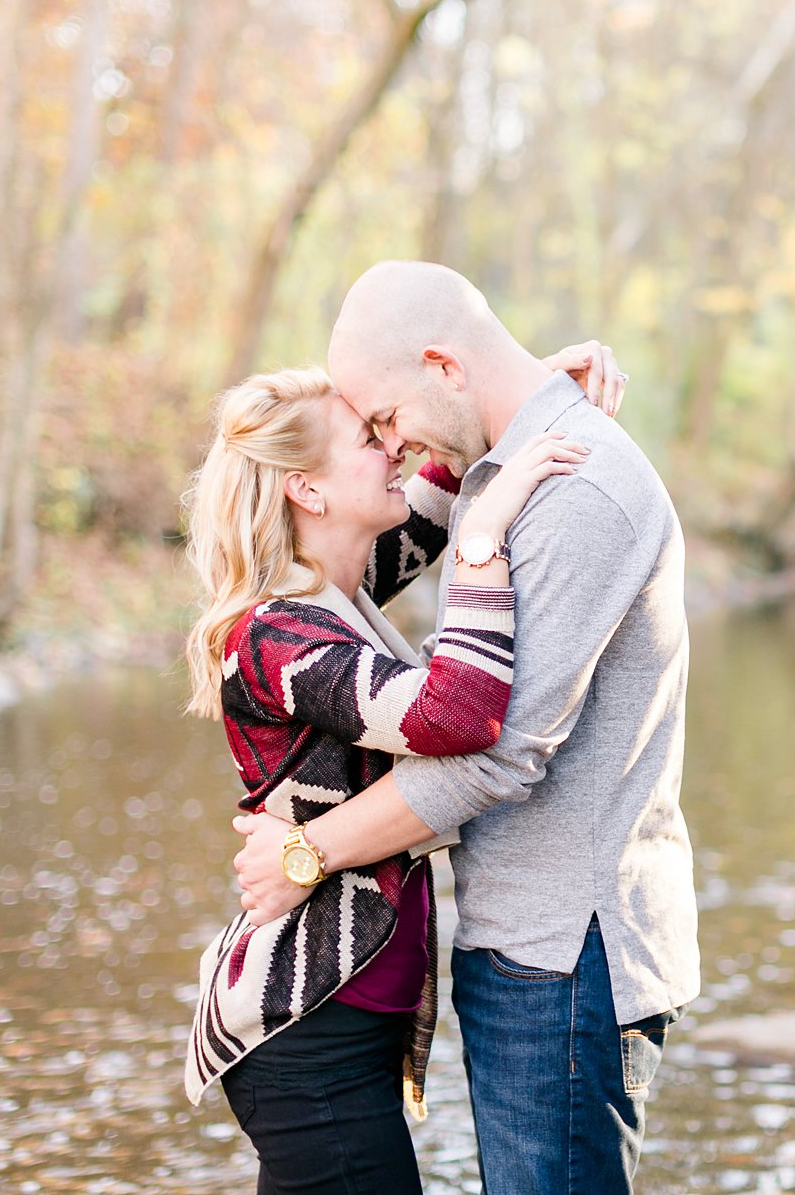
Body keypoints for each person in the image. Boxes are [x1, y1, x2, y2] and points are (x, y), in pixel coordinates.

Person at [230, 261, 699, 1195]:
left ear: (442, 365)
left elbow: (495, 752)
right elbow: (415, 551)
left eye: (385, 419)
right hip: (511, 948)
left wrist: (306, 851)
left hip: (568, 948)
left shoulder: (572, 488)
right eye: (367, 436)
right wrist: (525, 401)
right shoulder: (493, 482)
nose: (392, 448)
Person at [179, 344, 619, 1192]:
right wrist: (485, 542)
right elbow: (456, 715)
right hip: (304, 1035)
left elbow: (440, 473)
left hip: (342, 1028)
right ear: (306, 488)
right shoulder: (277, 639)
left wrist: (519, 384)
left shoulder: (336, 592)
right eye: (368, 438)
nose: (395, 448)